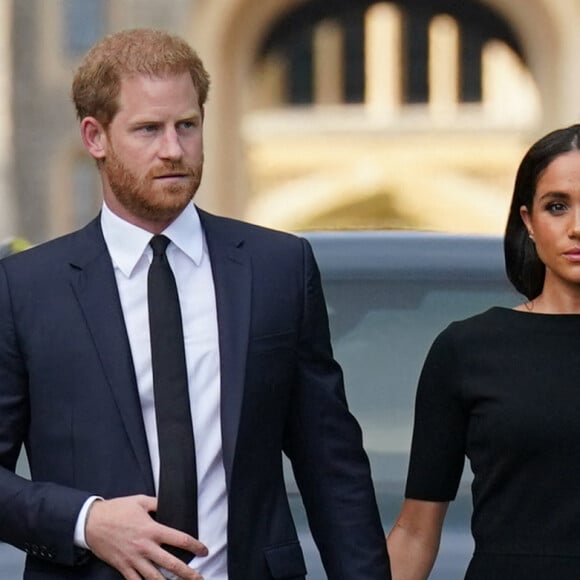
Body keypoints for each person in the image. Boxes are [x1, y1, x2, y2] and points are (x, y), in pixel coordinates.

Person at [0, 28, 391, 580]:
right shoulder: (24, 288)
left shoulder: (277, 267)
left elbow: (333, 466)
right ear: (95, 136)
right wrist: (86, 521)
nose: (173, 150)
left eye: (188, 125)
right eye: (148, 129)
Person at [386, 122, 580, 579]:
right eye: (557, 207)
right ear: (528, 221)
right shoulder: (468, 350)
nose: (577, 227)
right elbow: (416, 531)